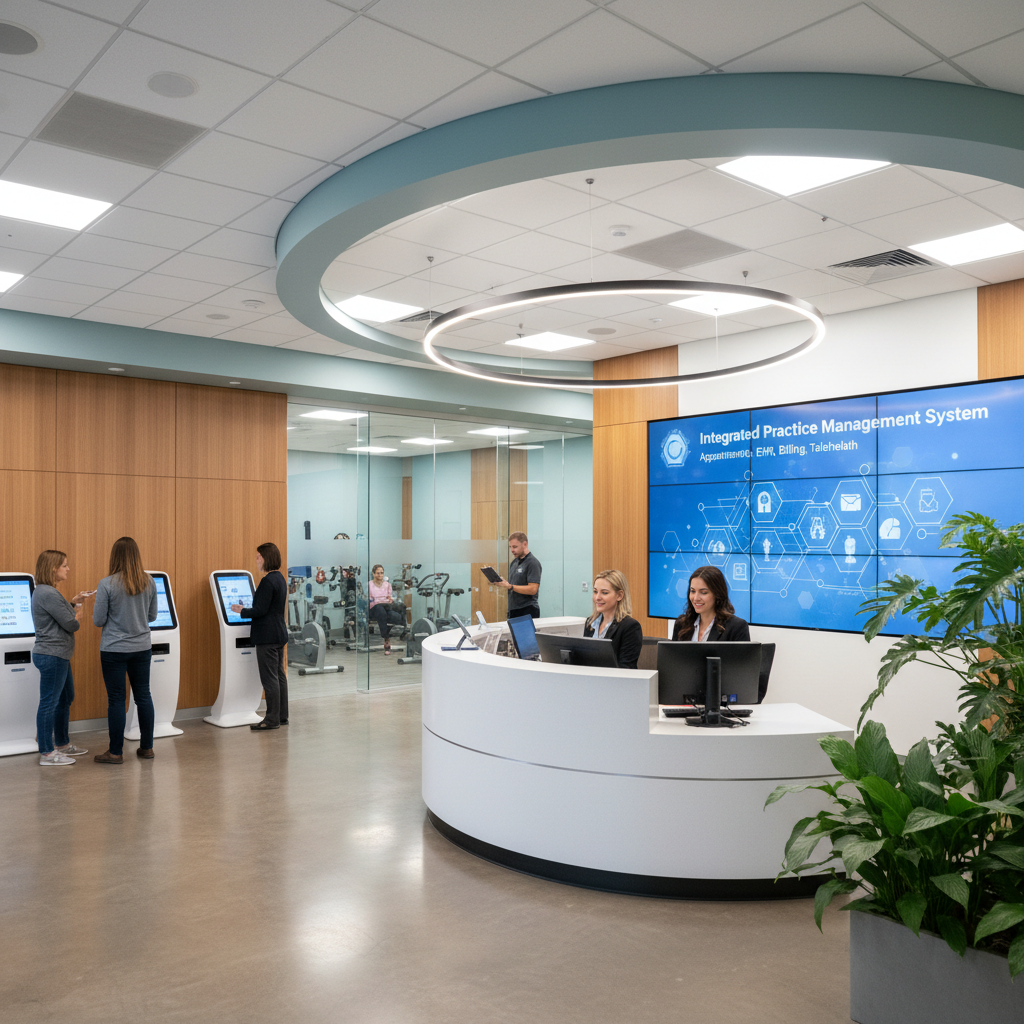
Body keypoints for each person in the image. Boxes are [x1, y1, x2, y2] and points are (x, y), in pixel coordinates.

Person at [93, 537, 158, 764]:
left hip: (114, 649)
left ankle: (115, 752)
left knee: (117, 699)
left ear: (115, 557)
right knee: (143, 695)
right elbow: (152, 616)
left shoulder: (107, 584)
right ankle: (147, 748)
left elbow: (98, 620)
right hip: (142, 648)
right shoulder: (149, 582)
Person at [31, 550, 94, 766]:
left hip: (58, 655)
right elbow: (72, 624)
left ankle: (62, 743)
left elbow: (57, 615)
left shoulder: (47, 592)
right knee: (49, 703)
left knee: (66, 698)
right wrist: (78, 606)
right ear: (52, 568)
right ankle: (47, 753)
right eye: (64, 565)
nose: (68, 569)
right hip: (53, 655)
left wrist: (71, 601)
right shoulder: (48, 593)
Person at [232, 542, 288, 731]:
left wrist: (242, 610)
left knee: (270, 678)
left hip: (267, 636)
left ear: (266, 558)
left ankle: (271, 720)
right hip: (279, 633)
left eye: (258, 556)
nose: (256, 560)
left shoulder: (267, 581)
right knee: (279, 675)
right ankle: (282, 715)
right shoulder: (280, 578)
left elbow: (260, 610)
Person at [583, 569, 643, 670]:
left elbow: (625, 668)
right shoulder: (590, 622)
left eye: (604, 593)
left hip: (614, 683)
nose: (597, 597)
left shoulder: (630, 627)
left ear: (619, 595)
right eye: (595, 592)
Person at [671, 565, 751, 642]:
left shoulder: (736, 627)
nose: (695, 598)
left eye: (703, 592)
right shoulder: (681, 624)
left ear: (717, 594)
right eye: (693, 591)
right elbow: (672, 656)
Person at [499, 532, 541, 619]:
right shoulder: (514, 563)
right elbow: (514, 585)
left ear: (525, 544)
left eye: (515, 547)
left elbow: (533, 589)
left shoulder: (532, 563)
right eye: (510, 547)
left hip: (527, 610)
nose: (512, 550)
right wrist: (503, 583)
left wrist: (510, 586)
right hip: (513, 610)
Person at [368, 564, 397, 654]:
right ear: (373, 574)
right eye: (377, 573)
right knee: (380, 610)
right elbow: (369, 599)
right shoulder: (369, 584)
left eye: (381, 573)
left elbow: (390, 597)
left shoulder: (387, 585)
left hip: (385, 606)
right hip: (374, 607)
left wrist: (390, 600)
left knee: (393, 614)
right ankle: (386, 638)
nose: (380, 575)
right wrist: (377, 601)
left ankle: (391, 633)